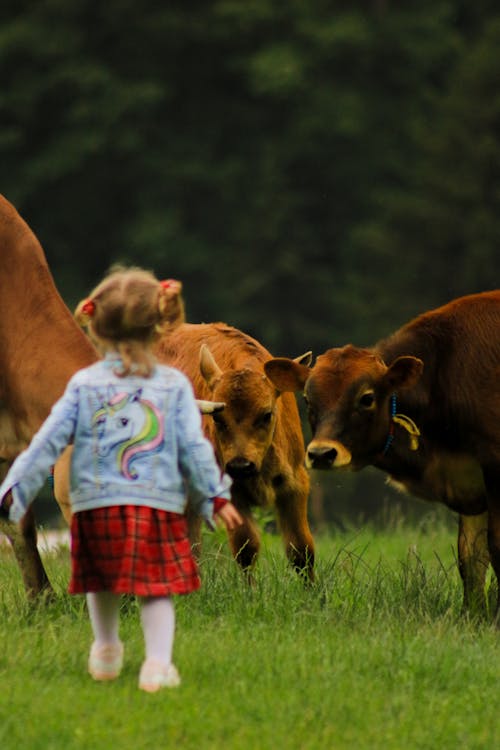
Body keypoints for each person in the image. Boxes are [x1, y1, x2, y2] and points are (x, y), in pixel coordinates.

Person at [0, 266, 241, 692]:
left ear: (94, 326)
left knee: (101, 582)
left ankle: (106, 647)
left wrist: (15, 483)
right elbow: (195, 448)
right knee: (157, 592)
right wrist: (217, 498)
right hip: (157, 508)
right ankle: (157, 663)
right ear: (162, 327)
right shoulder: (174, 385)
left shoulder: (82, 383)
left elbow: (47, 442)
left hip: (96, 509)